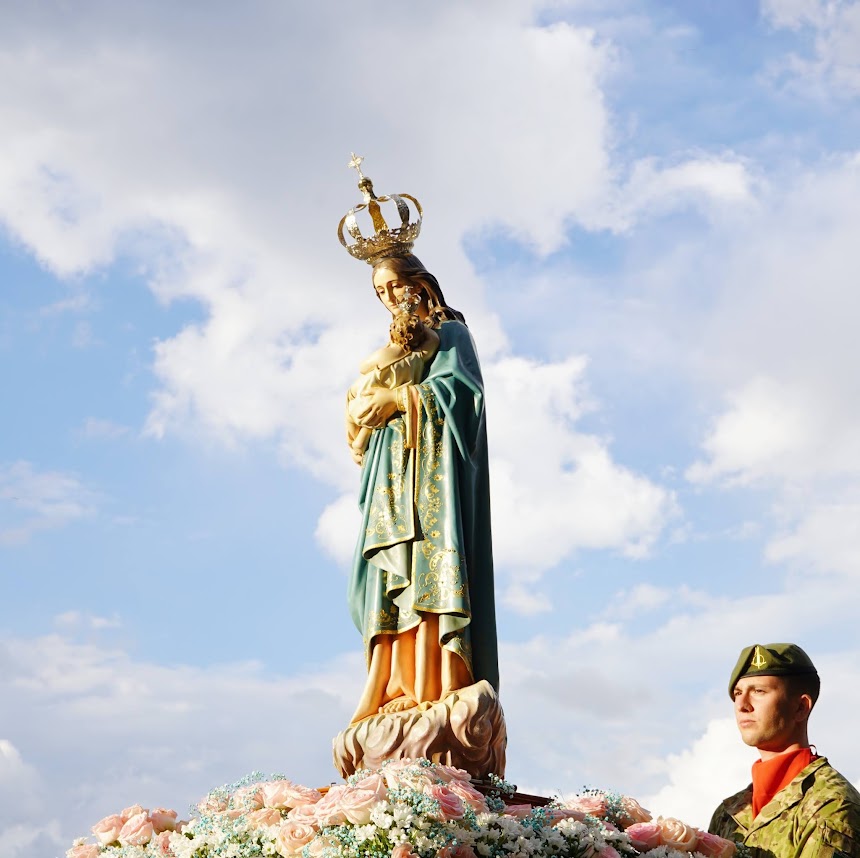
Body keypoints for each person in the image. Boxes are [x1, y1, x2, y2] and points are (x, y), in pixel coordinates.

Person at [345, 253, 499, 724]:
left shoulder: (449, 332)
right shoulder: (391, 346)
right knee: (390, 577)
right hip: (391, 475)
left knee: (426, 567)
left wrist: (397, 399)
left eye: (393, 285)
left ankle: (434, 683)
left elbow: (462, 396)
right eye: (379, 292)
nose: (389, 298)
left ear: (420, 282)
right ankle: (392, 685)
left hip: (430, 480)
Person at [709, 642, 860, 857]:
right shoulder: (727, 814)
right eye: (738, 692)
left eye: (759, 691)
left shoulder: (832, 804)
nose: (742, 704)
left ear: (800, 707)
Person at [345, 291, 439, 465]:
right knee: (375, 416)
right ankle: (358, 441)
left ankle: (354, 441)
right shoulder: (419, 356)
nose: (388, 296)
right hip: (389, 402)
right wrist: (422, 325)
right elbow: (433, 339)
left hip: (373, 393)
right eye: (381, 290)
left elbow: (363, 367)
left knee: (353, 405)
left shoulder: (386, 354)